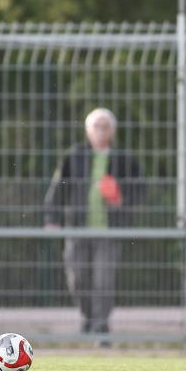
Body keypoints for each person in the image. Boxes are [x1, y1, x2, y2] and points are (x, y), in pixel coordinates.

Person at [44, 108, 144, 341]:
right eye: (96, 126)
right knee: (78, 278)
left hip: (109, 230)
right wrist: (52, 218)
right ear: (88, 131)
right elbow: (57, 188)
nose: (100, 131)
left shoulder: (123, 160)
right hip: (77, 228)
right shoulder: (74, 155)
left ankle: (101, 326)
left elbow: (140, 190)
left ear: (112, 131)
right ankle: (88, 317)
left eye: (105, 126)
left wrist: (122, 201)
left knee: (103, 278)